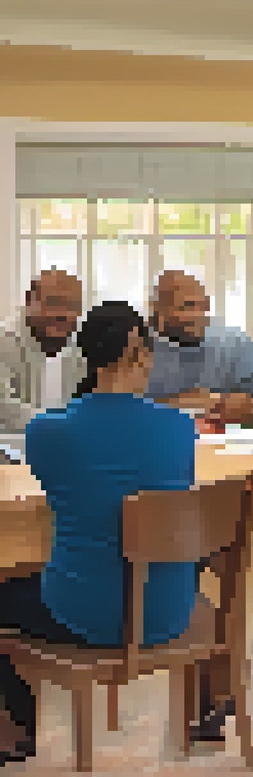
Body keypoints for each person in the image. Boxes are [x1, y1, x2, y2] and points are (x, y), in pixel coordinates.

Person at [0, 302, 199, 765]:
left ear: (82, 355)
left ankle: (15, 728)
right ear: (143, 356)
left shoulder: (48, 431)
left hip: (85, 613)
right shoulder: (180, 428)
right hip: (168, 611)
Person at [145, 270, 253, 428]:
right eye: (186, 306)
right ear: (156, 308)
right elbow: (119, 408)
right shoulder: (135, 346)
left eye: (203, 306)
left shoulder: (234, 342)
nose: (197, 316)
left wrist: (225, 404)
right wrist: (185, 402)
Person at [0, 270, 86, 435]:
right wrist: (65, 427)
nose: (63, 314)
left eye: (72, 306)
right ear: (29, 301)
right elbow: (4, 408)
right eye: (53, 303)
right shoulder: (4, 342)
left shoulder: (80, 349)